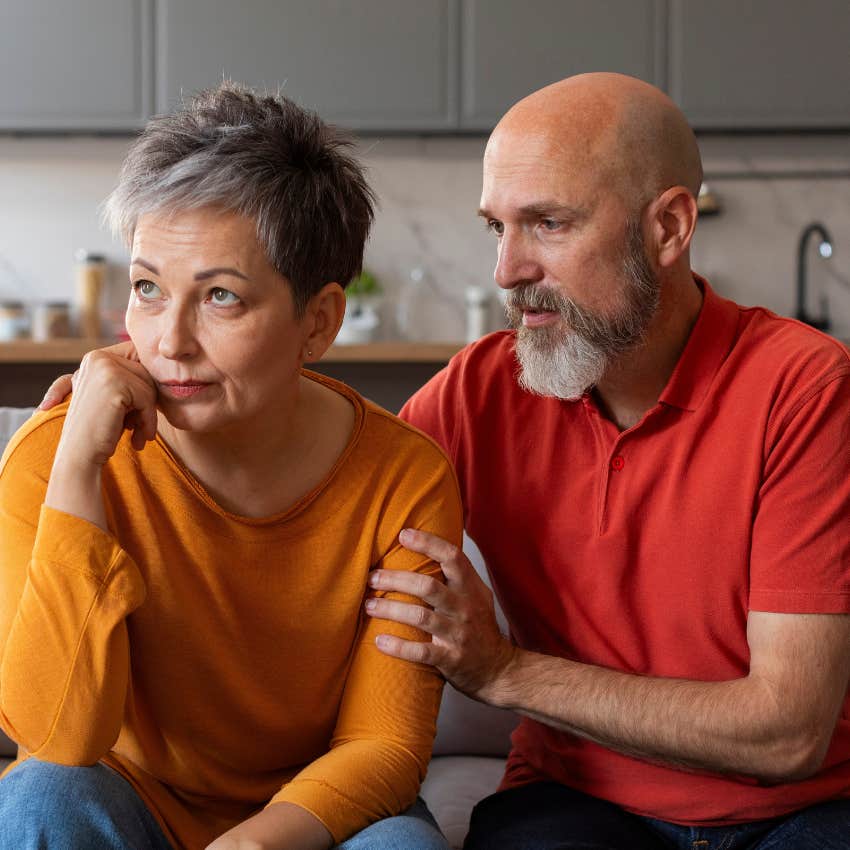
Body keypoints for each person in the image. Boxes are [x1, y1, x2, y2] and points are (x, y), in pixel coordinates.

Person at [363, 73, 850, 848]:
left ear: (668, 228)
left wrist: (504, 672)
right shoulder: (480, 390)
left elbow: (787, 733)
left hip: (799, 814)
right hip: (569, 802)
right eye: (497, 227)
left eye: (548, 224)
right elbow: (321, 494)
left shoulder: (806, 389)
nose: (507, 271)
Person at [0, 83, 460, 850]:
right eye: (148, 288)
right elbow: (58, 738)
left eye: (219, 297)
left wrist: (251, 843)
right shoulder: (55, 455)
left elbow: (384, 744)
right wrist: (80, 459)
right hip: (126, 796)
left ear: (319, 321)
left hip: (307, 810)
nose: (168, 341)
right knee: (41, 799)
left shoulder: (403, 479)